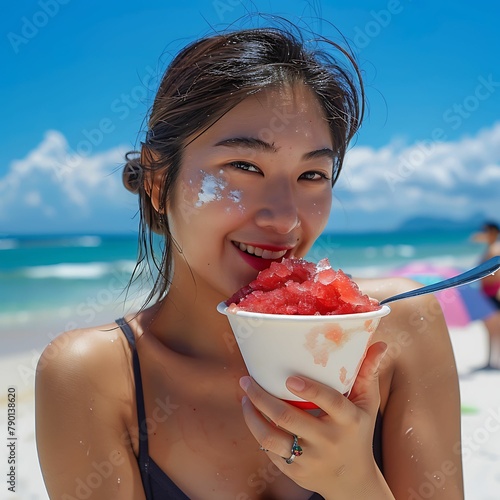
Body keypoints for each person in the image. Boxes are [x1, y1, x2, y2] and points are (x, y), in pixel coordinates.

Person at [35, 24, 464, 499]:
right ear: (158, 183)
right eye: (244, 167)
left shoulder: (397, 327)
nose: (283, 219)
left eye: (312, 174)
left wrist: (355, 482)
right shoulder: (93, 377)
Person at [474, 221, 500, 308]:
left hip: (494, 291)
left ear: (493, 232)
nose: (483, 234)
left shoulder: (495, 250)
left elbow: (496, 274)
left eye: (485, 231)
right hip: (489, 291)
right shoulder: (490, 248)